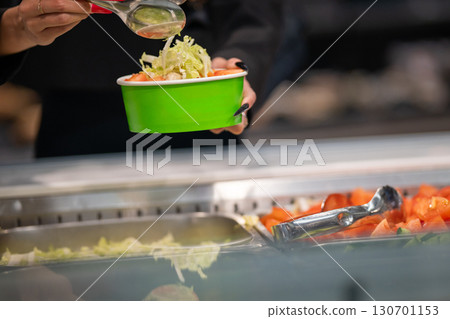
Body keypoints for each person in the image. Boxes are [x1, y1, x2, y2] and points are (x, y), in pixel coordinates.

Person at [0, 0, 281, 158]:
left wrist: (236, 64)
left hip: (198, 109)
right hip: (73, 112)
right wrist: (11, 28)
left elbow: (254, 17)